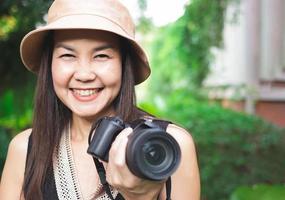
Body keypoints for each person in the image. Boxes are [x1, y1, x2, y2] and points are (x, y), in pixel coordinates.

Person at [0, 0, 200, 199]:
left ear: (124, 64)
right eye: (68, 55)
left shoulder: (168, 148)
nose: (84, 74)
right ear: (49, 64)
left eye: (102, 56)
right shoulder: (24, 150)